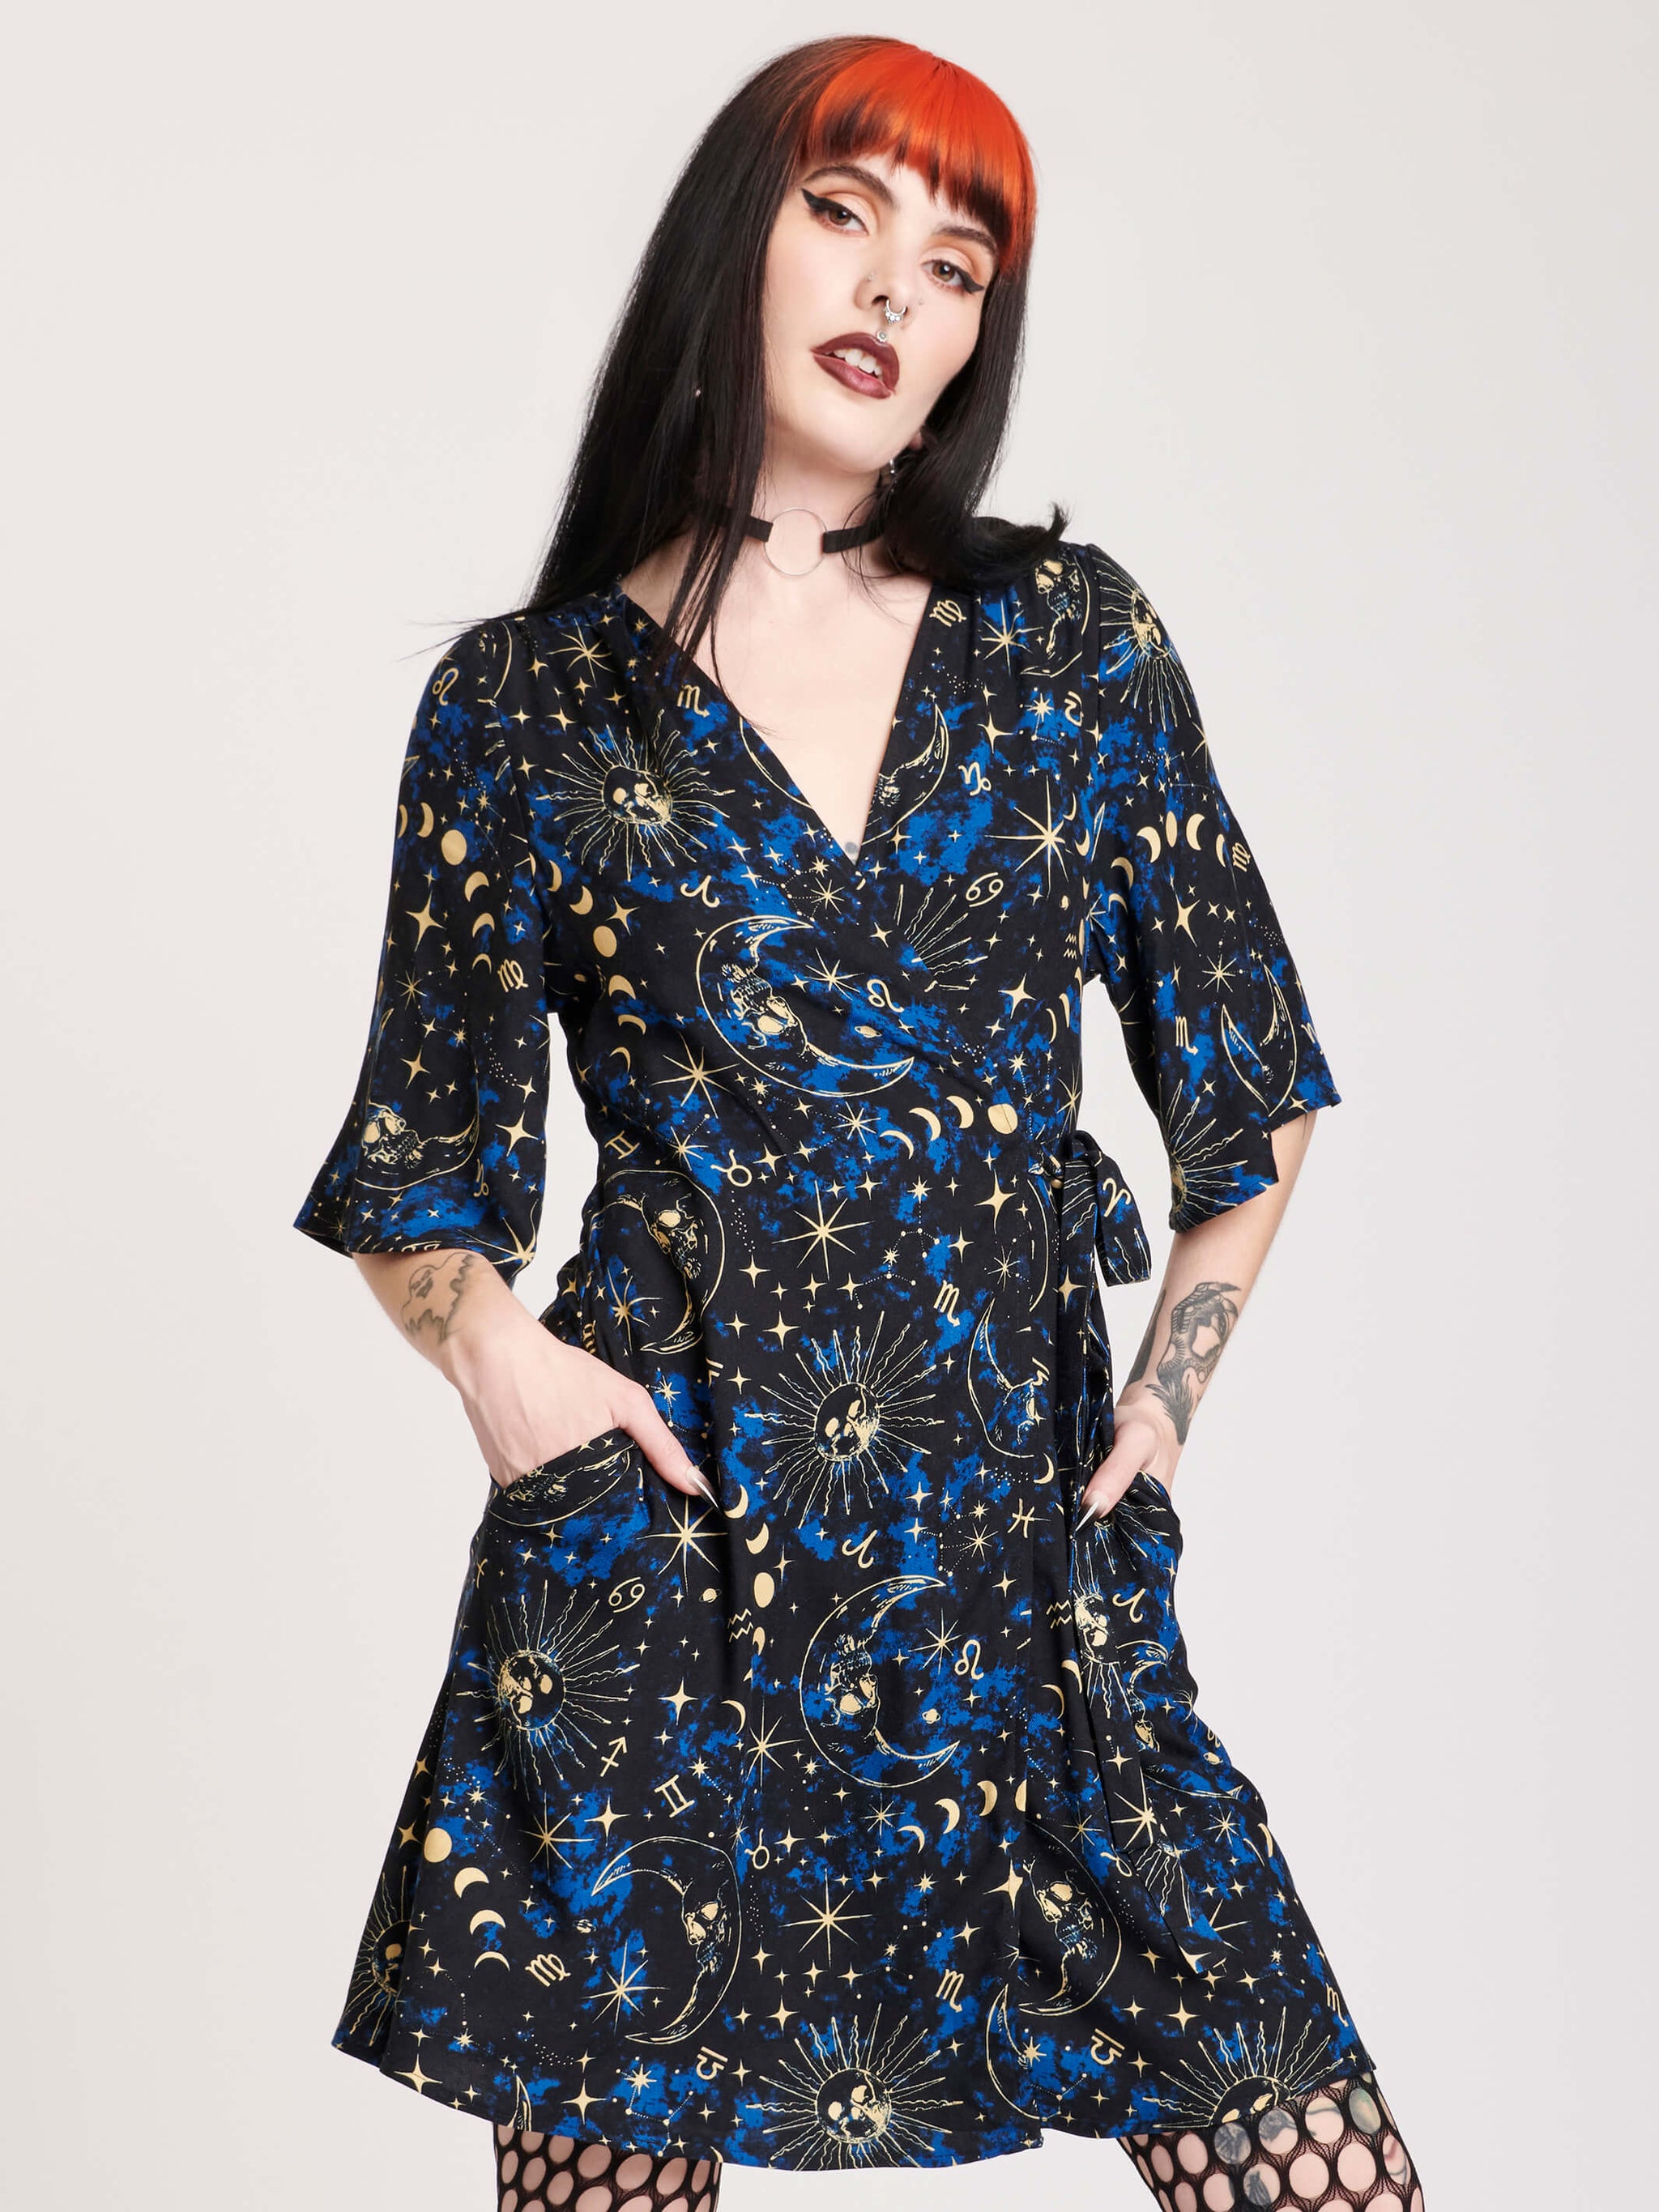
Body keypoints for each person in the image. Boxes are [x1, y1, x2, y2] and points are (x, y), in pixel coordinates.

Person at [294, 34, 1424, 2211]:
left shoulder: (1070, 650)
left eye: (960, 260)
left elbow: (1253, 1087)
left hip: (1018, 1588)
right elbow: (415, 1179)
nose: (900, 285)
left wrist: (1166, 1402)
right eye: (846, 212)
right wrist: (502, 1363)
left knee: (1318, 2173)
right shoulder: (524, 708)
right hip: (668, 1582)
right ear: (739, 236)